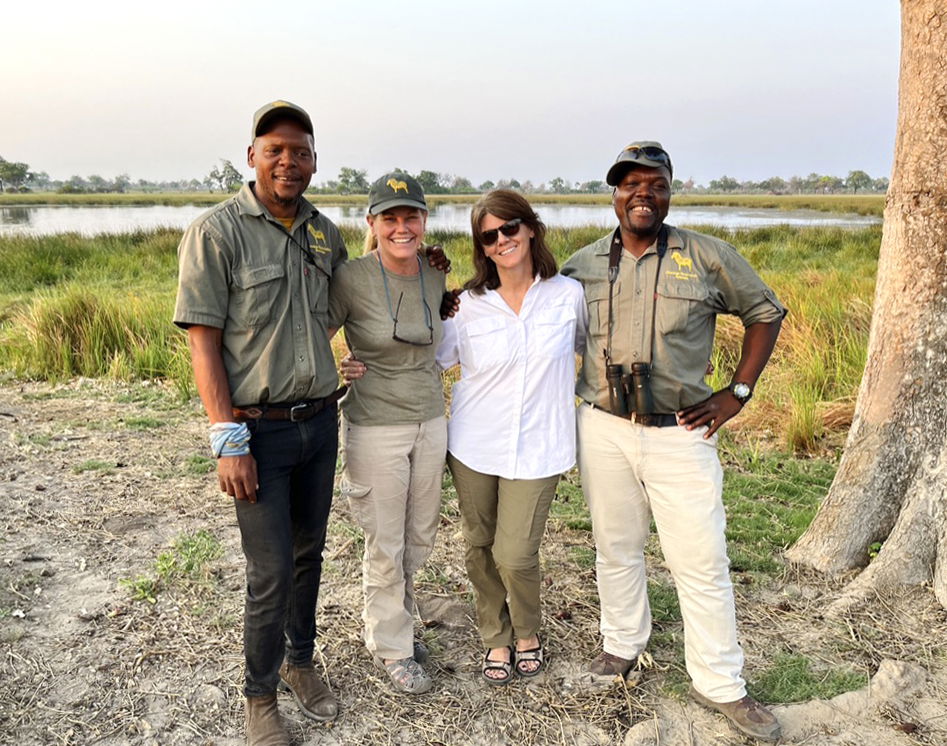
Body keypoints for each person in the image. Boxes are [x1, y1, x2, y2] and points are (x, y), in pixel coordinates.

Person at [561, 142, 786, 742]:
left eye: (653, 184)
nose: (642, 194)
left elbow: (765, 312)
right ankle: (621, 645)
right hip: (604, 427)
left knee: (701, 560)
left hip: (682, 431)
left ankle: (719, 682)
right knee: (615, 547)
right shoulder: (581, 265)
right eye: (629, 184)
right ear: (613, 193)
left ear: (670, 190)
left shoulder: (708, 257)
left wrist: (737, 392)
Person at [174, 100, 344, 745]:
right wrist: (228, 439)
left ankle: (302, 662)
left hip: (319, 424)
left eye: (300, 151)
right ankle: (260, 697)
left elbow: (330, 313)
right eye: (275, 149)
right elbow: (203, 343)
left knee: (308, 554)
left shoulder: (326, 231)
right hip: (258, 433)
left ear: (313, 162)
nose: (288, 161)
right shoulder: (216, 232)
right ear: (252, 157)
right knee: (269, 568)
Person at [435, 190, 587, 685]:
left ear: (531, 228)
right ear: (481, 247)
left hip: (542, 445)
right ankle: (494, 635)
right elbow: (435, 360)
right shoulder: (467, 305)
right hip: (474, 445)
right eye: (489, 235)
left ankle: (528, 630)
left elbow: (599, 348)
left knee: (515, 552)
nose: (502, 240)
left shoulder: (569, 295)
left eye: (510, 228)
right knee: (479, 544)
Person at [328, 172, 447, 695]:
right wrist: (337, 369)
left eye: (411, 216)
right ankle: (392, 645)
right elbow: (312, 332)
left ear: (424, 220)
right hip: (375, 424)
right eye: (390, 218)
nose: (402, 227)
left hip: (430, 418)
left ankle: (398, 616)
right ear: (371, 222)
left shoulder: (435, 271)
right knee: (385, 540)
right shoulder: (350, 276)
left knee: (419, 534)